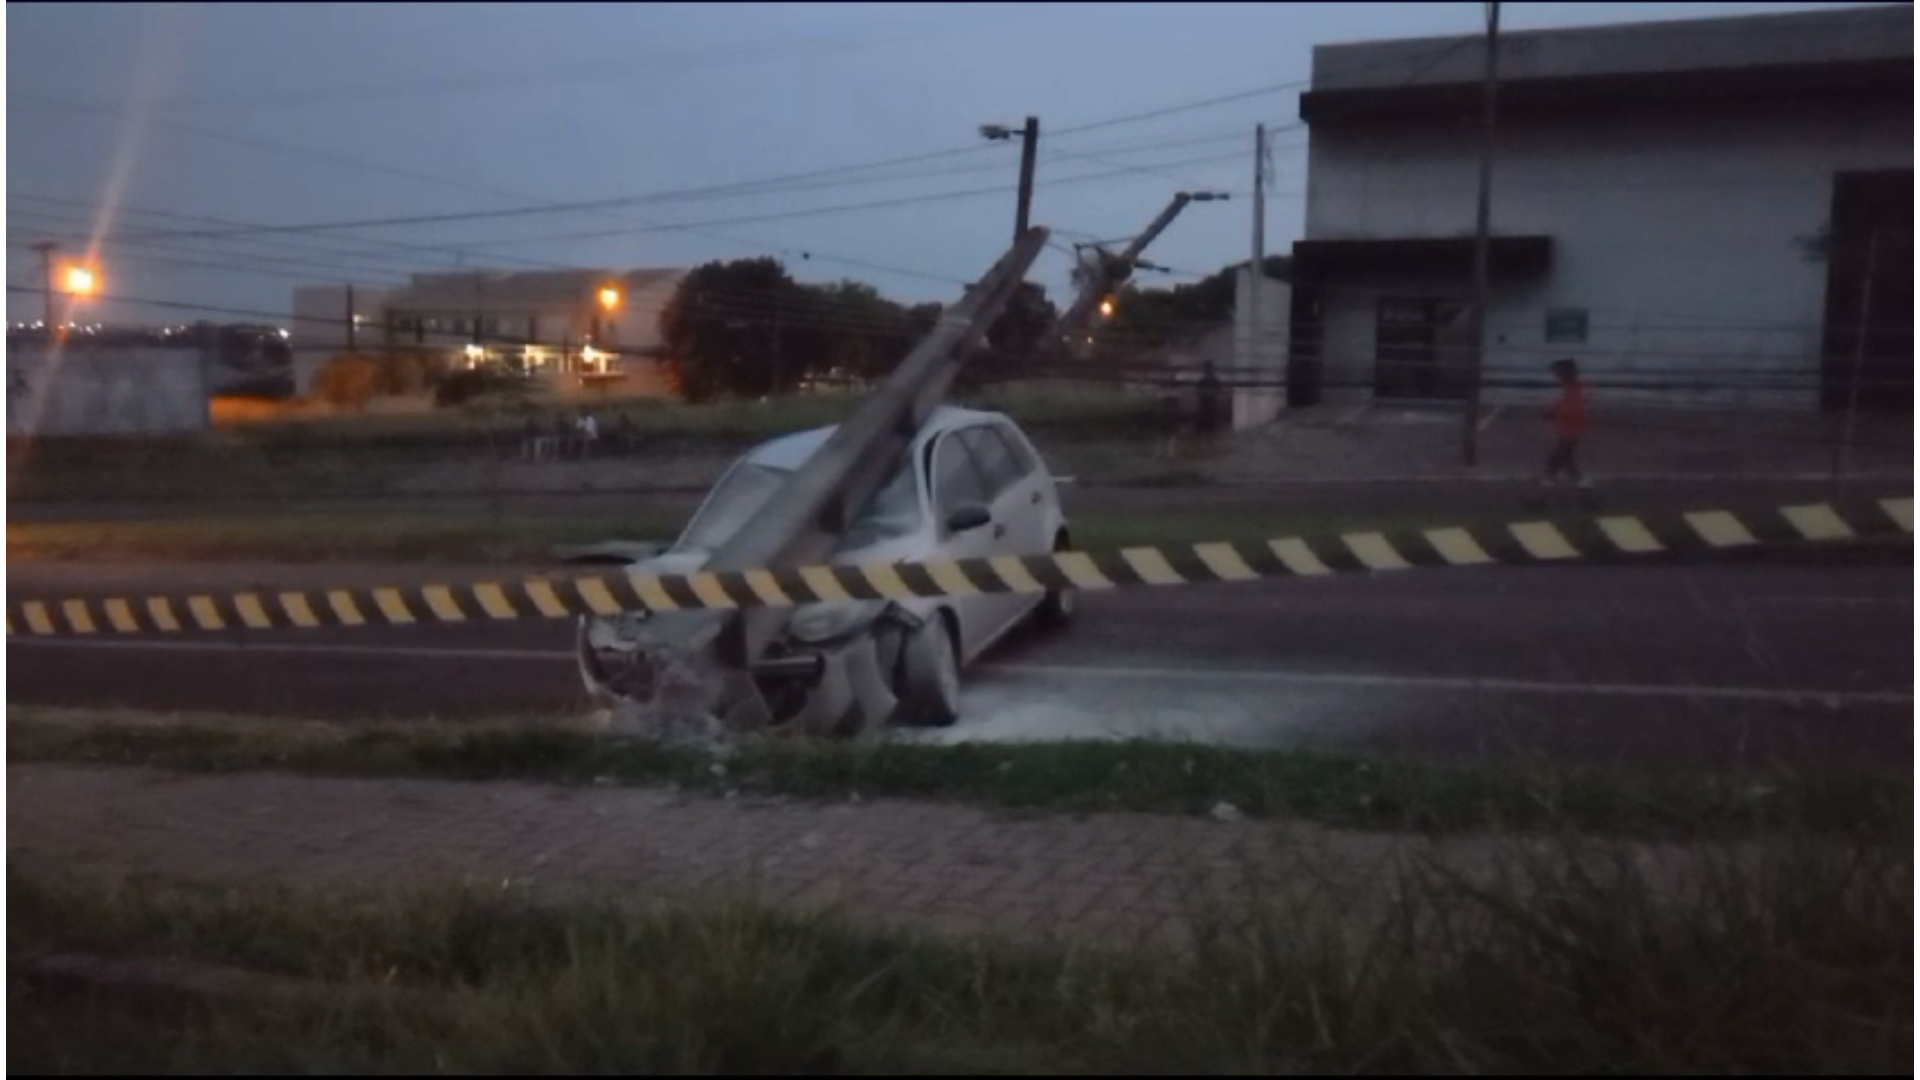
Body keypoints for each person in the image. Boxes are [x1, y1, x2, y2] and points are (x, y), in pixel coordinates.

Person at [1528, 357, 1599, 512]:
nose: (1555, 375)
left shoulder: (1576, 390)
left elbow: (1573, 410)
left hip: (1570, 432)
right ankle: (1589, 498)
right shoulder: (1569, 388)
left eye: (1557, 372)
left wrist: (1558, 413)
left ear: (1566, 372)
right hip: (1566, 431)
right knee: (1568, 465)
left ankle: (1541, 499)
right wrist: (1552, 413)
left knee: (1554, 463)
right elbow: (1564, 407)